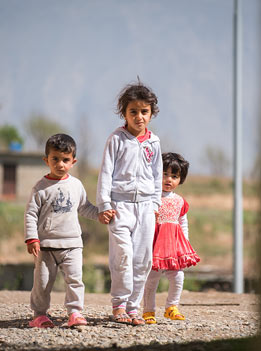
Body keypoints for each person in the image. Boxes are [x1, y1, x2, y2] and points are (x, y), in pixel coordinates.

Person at [25, 133, 114, 328]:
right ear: (46, 160)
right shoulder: (40, 188)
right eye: (55, 159)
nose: (60, 164)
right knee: (42, 283)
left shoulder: (76, 185)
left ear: (73, 161)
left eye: (65, 160)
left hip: (72, 244)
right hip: (46, 246)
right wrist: (32, 238)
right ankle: (39, 315)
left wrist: (100, 214)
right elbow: (31, 214)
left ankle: (75, 312)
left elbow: (85, 208)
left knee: (75, 279)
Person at [96, 81, 163, 325]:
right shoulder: (116, 139)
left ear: (151, 113)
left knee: (143, 259)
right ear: (124, 113)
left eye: (144, 111)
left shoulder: (154, 142)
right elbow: (105, 172)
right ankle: (119, 305)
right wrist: (104, 204)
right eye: (133, 111)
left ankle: (134, 308)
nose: (139, 116)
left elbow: (157, 177)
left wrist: (155, 205)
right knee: (122, 256)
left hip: (146, 208)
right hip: (120, 207)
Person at [142, 152, 200, 324]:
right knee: (152, 280)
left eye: (174, 176)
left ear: (180, 179)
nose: (168, 179)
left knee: (178, 277)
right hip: (153, 245)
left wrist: (184, 244)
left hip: (173, 247)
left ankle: (171, 307)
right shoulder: (150, 198)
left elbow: (183, 222)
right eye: (164, 174)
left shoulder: (180, 201)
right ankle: (148, 311)